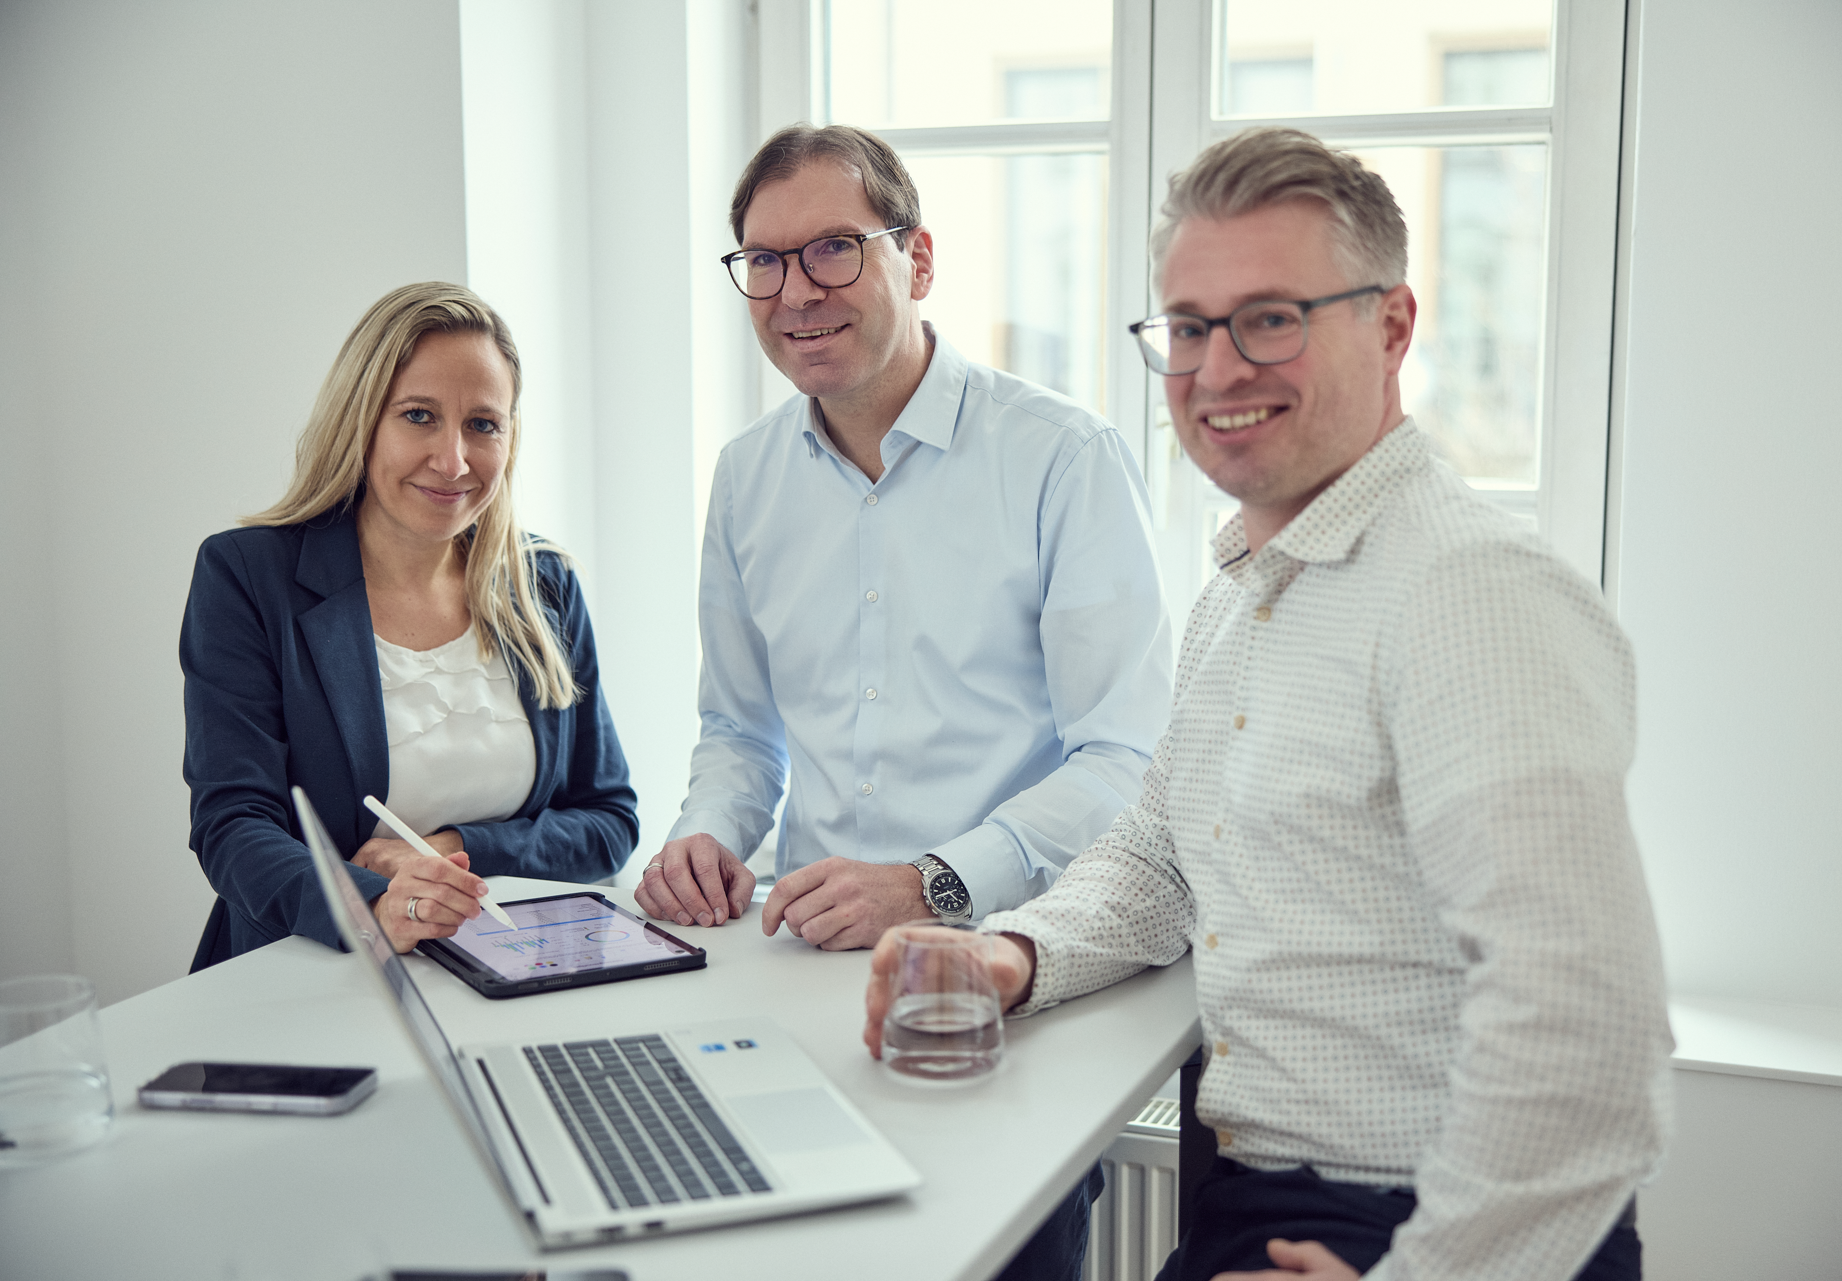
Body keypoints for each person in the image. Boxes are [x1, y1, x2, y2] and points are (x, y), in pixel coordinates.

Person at [863, 127, 1674, 1281]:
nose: (1219, 368)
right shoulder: (1245, 592)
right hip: (1259, 1197)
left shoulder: (1470, 594)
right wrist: (1013, 954)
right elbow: (1161, 854)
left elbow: (1587, 1030)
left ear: (1392, 327)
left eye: (1272, 318)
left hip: (1426, 1224)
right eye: (1190, 327)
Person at [636, 124, 1171, 1281]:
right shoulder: (745, 476)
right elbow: (738, 731)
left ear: (917, 259)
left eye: (833, 248)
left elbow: (1126, 760)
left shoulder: (1063, 458)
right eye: (763, 261)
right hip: (803, 986)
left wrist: (934, 881)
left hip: (1011, 979)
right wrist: (705, 835)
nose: (796, 292)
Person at [181, 282, 639, 967]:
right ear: (361, 419)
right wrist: (372, 906)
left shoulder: (542, 582)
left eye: (483, 424)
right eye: (419, 416)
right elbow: (233, 825)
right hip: (315, 973)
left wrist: (453, 851)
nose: (453, 460)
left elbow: (608, 821)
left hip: (513, 971)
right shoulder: (248, 575)